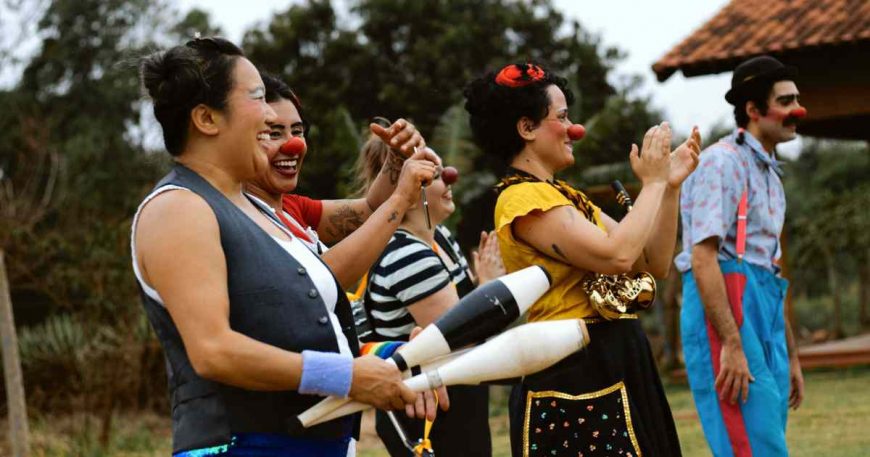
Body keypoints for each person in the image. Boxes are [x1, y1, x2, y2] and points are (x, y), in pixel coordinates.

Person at [131, 37, 423, 456]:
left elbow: (306, 312)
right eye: (258, 99)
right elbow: (213, 350)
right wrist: (345, 375)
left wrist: (394, 359)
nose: (270, 117)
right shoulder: (178, 208)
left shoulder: (254, 207)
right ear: (207, 119)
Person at [464, 63, 700, 456]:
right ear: (526, 128)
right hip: (574, 374)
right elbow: (618, 254)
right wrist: (654, 183)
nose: (574, 129)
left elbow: (650, 262)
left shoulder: (569, 198)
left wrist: (669, 187)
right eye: (562, 117)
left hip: (614, 358)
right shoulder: (522, 199)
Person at [676, 55, 805, 457]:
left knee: (767, 440)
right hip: (727, 311)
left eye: (797, 98)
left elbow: (768, 270)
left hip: (762, 310)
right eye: (785, 101)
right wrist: (731, 342)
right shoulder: (722, 162)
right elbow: (702, 258)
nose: (797, 109)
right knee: (749, 447)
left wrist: (791, 356)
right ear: (753, 110)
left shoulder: (770, 175)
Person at [357, 132, 504, 457]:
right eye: (435, 174)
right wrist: (490, 288)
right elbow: (459, 341)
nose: (449, 176)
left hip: (458, 402)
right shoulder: (409, 255)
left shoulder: (442, 238)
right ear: (413, 188)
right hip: (430, 415)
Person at [245, 73, 441, 290]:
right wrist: (401, 198)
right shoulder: (240, 217)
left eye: (298, 131)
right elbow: (316, 284)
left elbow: (370, 209)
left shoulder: (291, 207)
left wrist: (397, 154)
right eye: (274, 133)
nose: (294, 145)